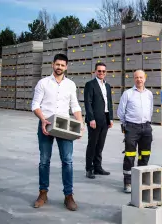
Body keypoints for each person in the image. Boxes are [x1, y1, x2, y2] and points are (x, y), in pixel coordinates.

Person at [31, 53, 83, 211]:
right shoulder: (43, 83)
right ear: (52, 65)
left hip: (64, 126)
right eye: (57, 64)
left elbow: (75, 106)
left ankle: (68, 196)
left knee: (67, 161)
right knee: (44, 161)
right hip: (46, 125)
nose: (59, 67)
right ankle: (43, 193)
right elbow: (35, 105)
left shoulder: (71, 85)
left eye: (62, 65)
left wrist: (80, 124)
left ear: (66, 67)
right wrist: (43, 119)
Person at [117, 70, 153, 193]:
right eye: (137, 77)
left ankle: (141, 180)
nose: (139, 79)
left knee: (145, 155)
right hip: (131, 127)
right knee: (130, 156)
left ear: (145, 78)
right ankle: (128, 182)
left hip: (146, 128)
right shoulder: (128, 94)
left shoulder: (149, 94)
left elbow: (151, 109)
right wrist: (126, 126)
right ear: (134, 79)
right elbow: (120, 112)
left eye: (141, 77)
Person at [84, 62, 113, 179]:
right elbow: (88, 102)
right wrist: (91, 118)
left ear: (106, 73)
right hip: (94, 120)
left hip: (105, 119)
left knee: (100, 145)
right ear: (95, 71)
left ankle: (97, 167)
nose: (101, 73)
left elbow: (109, 103)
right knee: (92, 144)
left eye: (103, 71)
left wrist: (110, 118)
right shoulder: (90, 84)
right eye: (99, 71)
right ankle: (89, 169)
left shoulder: (107, 86)